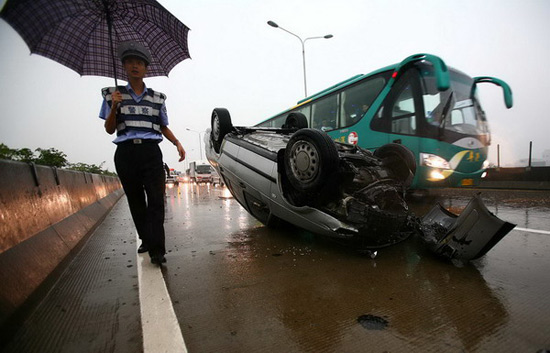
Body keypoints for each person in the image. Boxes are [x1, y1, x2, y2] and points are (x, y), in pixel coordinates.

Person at [99, 41, 185, 265]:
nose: (135, 66)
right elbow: (109, 129)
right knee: (136, 201)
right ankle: (146, 239)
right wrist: (115, 107)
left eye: (139, 63)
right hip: (126, 153)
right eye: (130, 62)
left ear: (146, 68)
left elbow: (162, 125)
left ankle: (158, 249)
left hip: (150, 152)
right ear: (124, 67)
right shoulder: (111, 95)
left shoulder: (158, 98)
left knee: (156, 200)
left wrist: (177, 142)